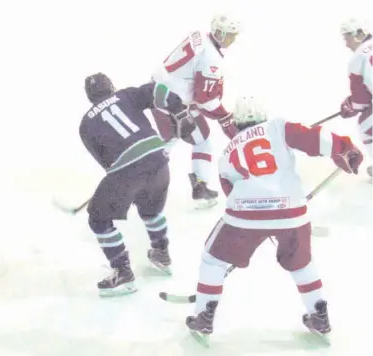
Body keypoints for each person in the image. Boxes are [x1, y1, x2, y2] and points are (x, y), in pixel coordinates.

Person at [185, 97, 363, 345]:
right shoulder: (277, 127)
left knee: (213, 260)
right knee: (301, 262)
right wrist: (345, 149)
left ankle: (203, 316)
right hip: (291, 212)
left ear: (236, 123)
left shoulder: (227, 152)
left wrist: (259, 220)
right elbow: (313, 137)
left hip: (245, 215)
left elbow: (229, 190)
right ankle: (319, 315)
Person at [80, 73, 185, 297]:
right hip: (158, 161)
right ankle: (161, 252)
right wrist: (179, 109)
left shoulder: (86, 124)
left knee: (98, 219)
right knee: (151, 209)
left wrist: (123, 180)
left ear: (89, 97)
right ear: (111, 86)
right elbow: (156, 91)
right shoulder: (126, 95)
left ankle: (122, 272)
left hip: (127, 171)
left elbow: (105, 162)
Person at [150, 14, 242, 208]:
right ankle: (200, 188)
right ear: (218, 33)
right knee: (203, 140)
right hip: (174, 102)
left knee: (171, 138)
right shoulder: (212, 60)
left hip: (158, 91)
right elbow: (205, 100)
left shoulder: (199, 36)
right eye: (229, 35)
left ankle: (140, 174)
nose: (233, 39)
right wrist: (225, 117)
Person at [339, 18, 372, 178]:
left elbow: (361, 101)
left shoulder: (357, 58)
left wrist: (350, 106)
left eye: (347, 38)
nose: (346, 44)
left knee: (366, 126)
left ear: (358, 34)